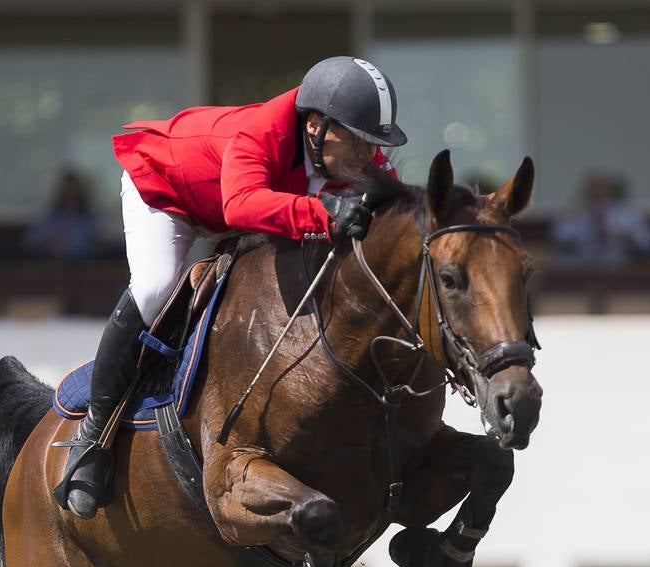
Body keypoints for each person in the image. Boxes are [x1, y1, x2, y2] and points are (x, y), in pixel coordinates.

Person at [55, 56, 407, 518]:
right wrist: (325, 216)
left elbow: (392, 210)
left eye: (374, 143)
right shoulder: (261, 133)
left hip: (230, 207)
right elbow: (241, 205)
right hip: (167, 192)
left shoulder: (347, 150)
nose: (369, 156)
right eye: (359, 141)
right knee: (156, 288)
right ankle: (94, 437)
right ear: (316, 127)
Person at [550, 172, 650, 266]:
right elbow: (560, 238)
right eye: (593, 191)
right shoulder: (573, 214)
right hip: (580, 266)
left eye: (601, 191)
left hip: (619, 266)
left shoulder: (628, 214)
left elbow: (649, 242)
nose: (597, 195)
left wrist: (627, 237)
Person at [21, 169, 100, 260]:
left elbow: (91, 243)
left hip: (78, 264)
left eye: (73, 191)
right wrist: (46, 243)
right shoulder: (51, 216)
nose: (70, 195)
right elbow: (30, 239)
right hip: (49, 262)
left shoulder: (88, 219)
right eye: (67, 190)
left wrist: (68, 246)